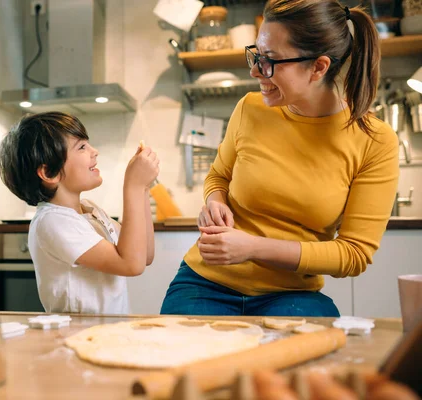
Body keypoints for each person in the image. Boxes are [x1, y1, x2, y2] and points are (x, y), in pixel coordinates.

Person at [161, 0, 399, 317]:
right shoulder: (250, 108)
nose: (255, 70)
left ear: (319, 67)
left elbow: (353, 254)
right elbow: (218, 176)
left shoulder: (375, 141)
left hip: (292, 294)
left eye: (270, 61)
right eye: (257, 55)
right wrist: (215, 202)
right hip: (204, 282)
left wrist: (251, 248)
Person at [0, 112, 159, 314]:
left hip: (104, 334)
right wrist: (133, 186)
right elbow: (131, 265)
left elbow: (144, 254)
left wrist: (143, 187)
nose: (95, 151)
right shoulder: (53, 221)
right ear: (49, 173)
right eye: (82, 147)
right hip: (76, 335)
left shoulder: (90, 211)